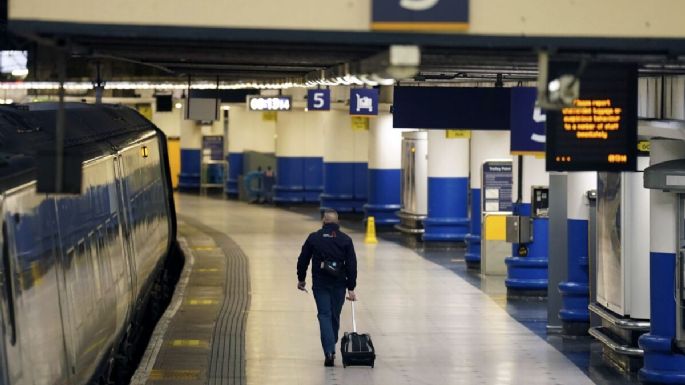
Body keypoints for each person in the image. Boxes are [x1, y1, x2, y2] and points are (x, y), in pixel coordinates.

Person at [297, 209, 357, 367]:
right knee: (334, 316)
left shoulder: (314, 238)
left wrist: (301, 279)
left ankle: (329, 351)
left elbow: (303, 259)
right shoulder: (345, 240)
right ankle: (331, 344)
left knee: (324, 315)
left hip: (320, 284)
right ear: (338, 223)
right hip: (339, 284)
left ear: (323, 222)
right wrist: (351, 287)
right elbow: (352, 265)